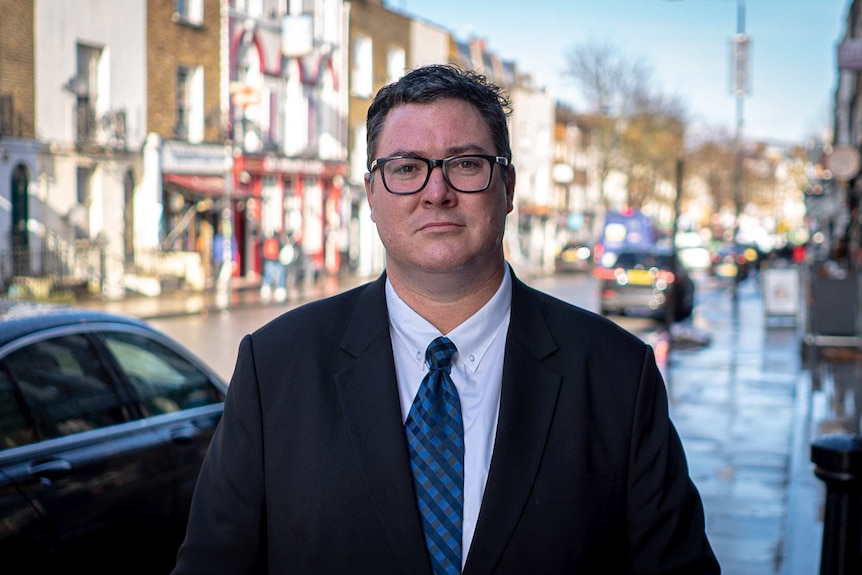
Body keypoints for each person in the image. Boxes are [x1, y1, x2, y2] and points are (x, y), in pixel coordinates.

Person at [173, 64, 720, 574]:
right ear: (371, 194)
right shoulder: (276, 368)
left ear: (507, 187)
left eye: (465, 164)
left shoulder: (617, 374)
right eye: (406, 168)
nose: (437, 192)